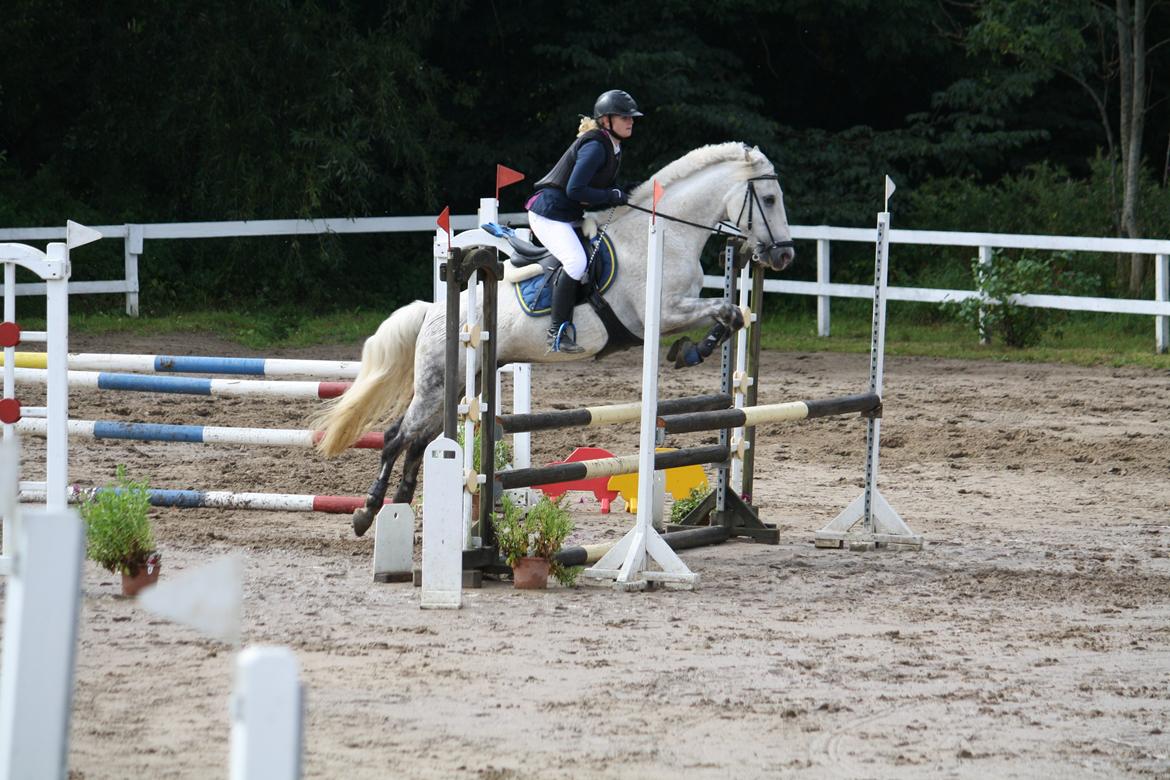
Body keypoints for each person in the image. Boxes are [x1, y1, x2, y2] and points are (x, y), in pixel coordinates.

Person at [526, 89, 643, 353]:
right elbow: (575, 190)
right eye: (624, 117)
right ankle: (556, 331)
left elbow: (600, 187)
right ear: (605, 121)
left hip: (567, 214)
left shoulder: (613, 148)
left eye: (632, 117)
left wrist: (624, 190)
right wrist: (611, 195)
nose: (631, 121)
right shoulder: (595, 146)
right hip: (549, 213)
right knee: (576, 261)